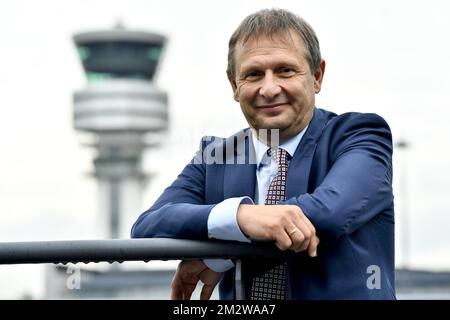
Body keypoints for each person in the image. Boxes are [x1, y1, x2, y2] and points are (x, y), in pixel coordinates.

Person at [131, 8, 395, 300]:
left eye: (285, 70)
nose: (269, 89)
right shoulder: (217, 155)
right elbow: (149, 225)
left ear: (317, 76)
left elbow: (328, 213)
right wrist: (242, 216)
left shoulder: (359, 136)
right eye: (253, 74)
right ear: (234, 85)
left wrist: (221, 253)